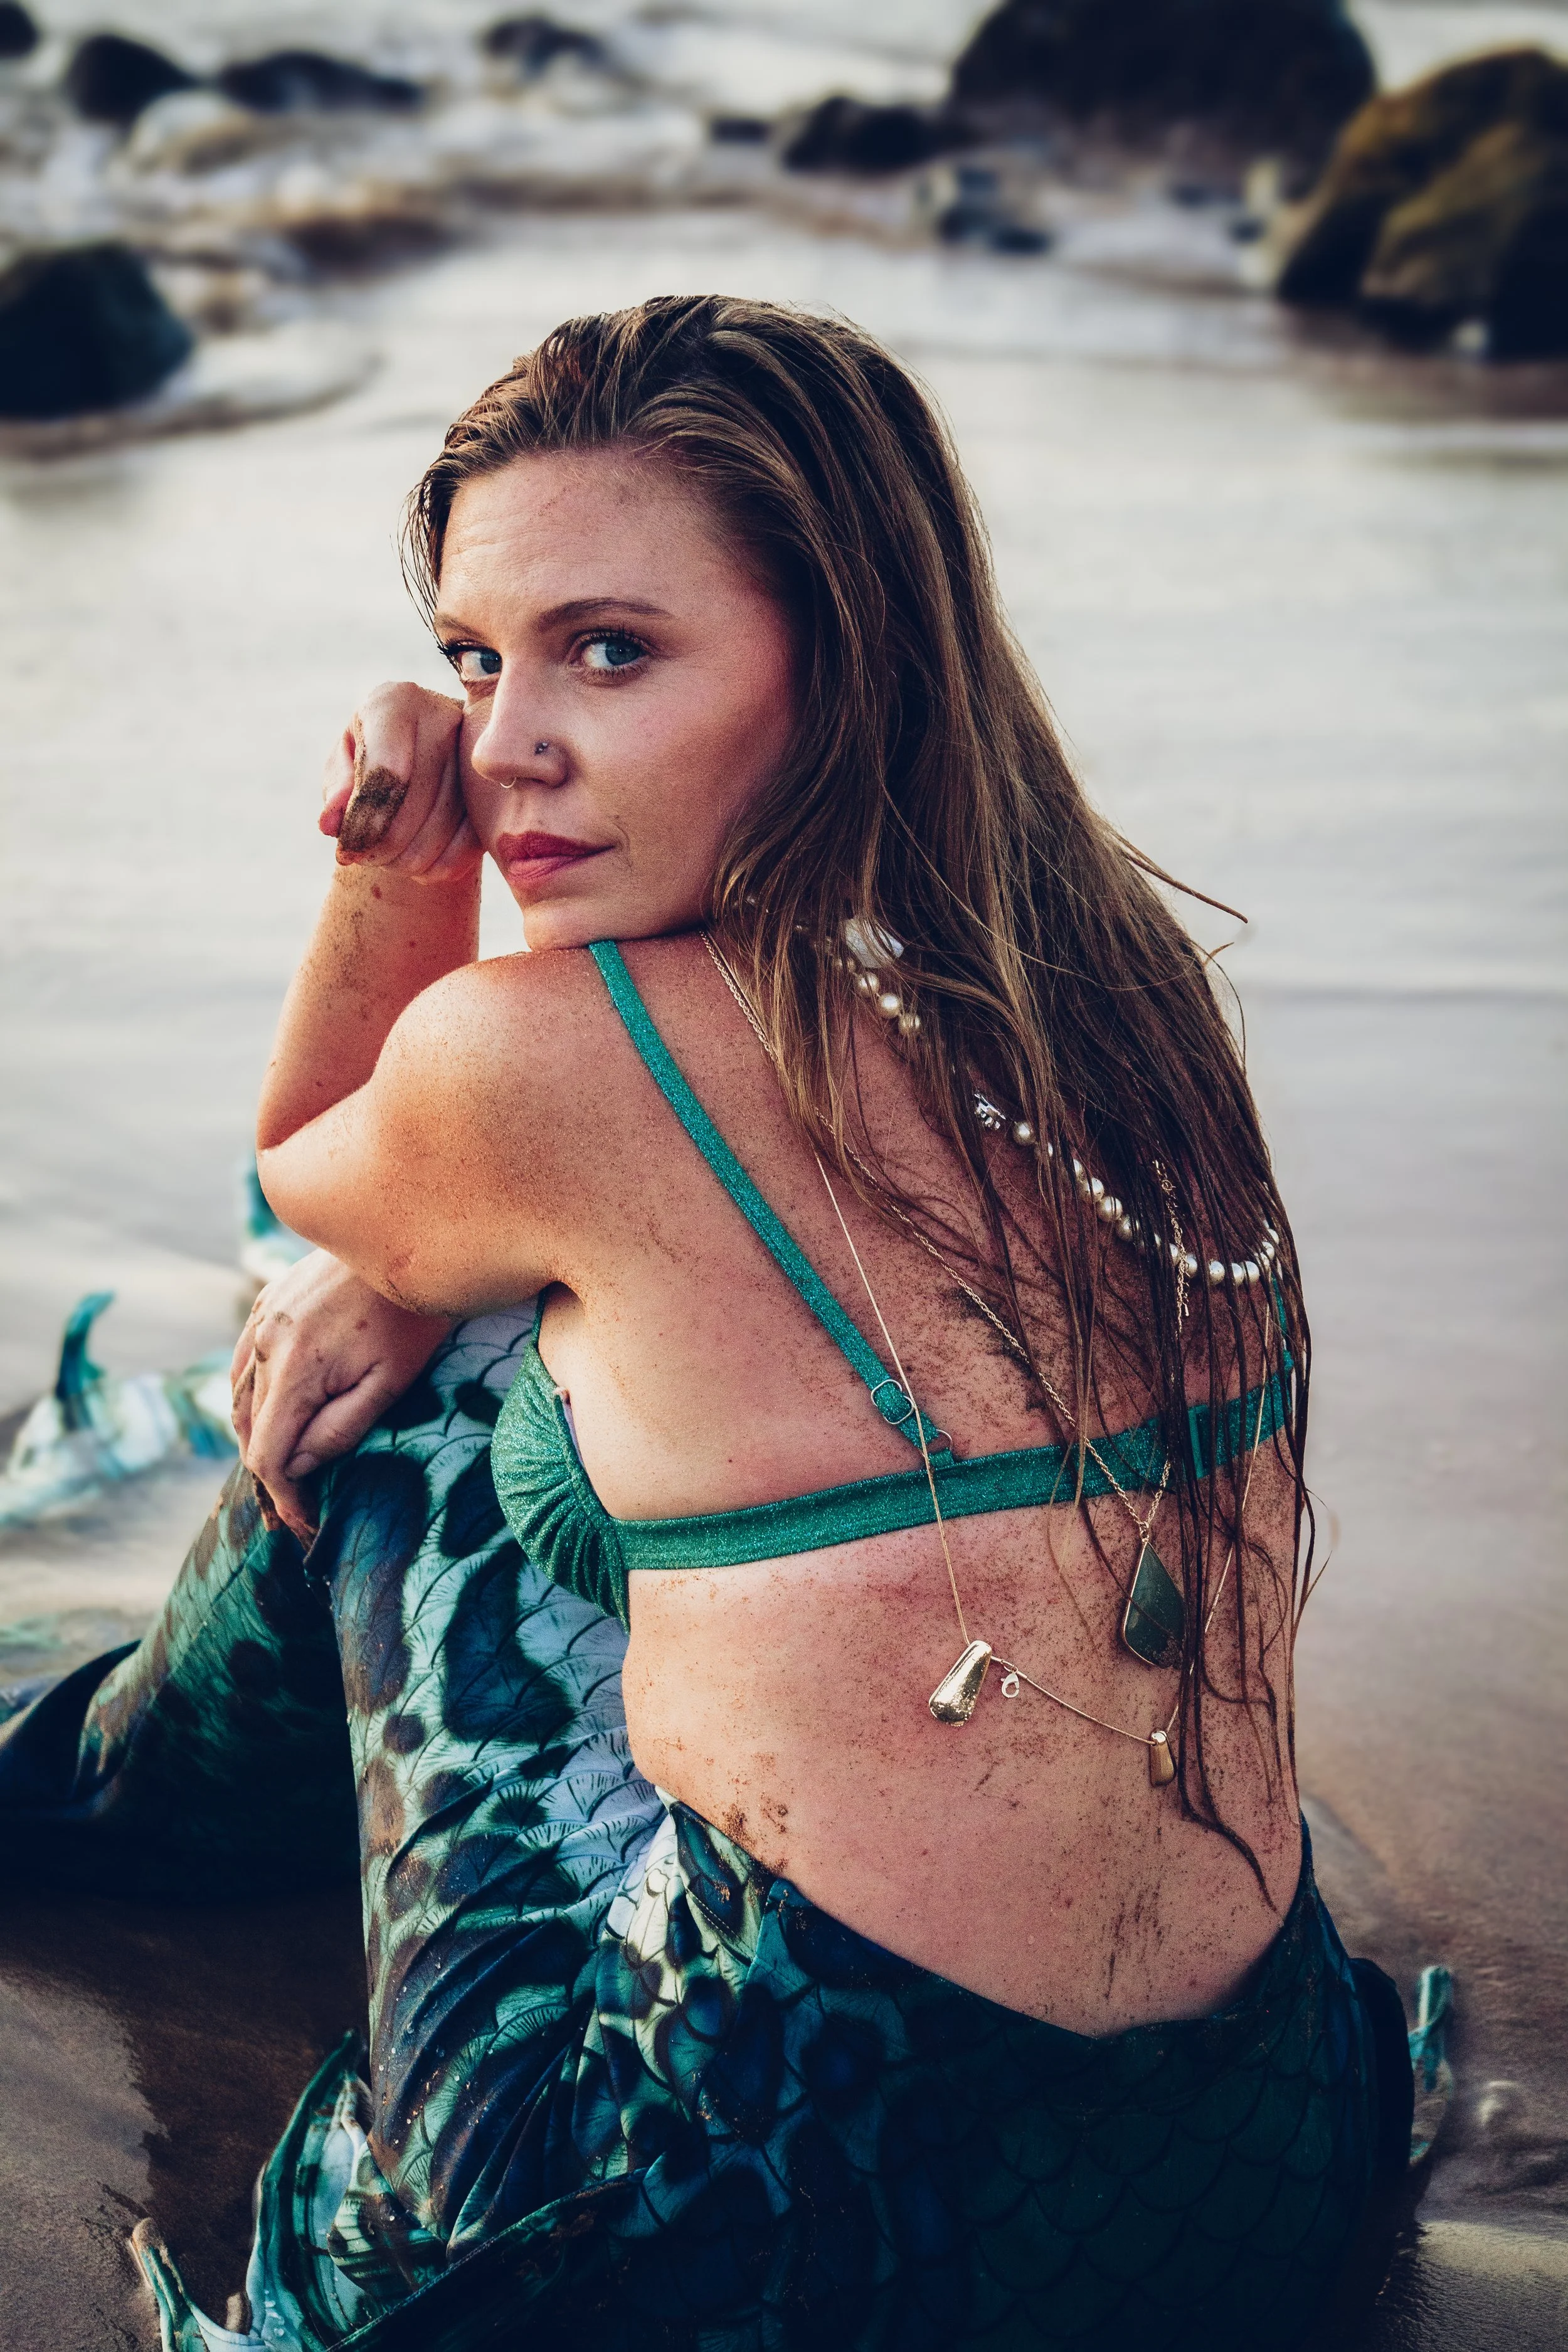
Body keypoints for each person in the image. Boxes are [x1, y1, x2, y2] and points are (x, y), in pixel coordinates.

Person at [0, 295, 1414, 2352]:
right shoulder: (1116, 997)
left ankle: (89, 1788)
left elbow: (312, 1156)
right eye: (475, 665)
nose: (510, 751)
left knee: (410, 1358)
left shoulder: (563, 1057)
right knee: (456, 1303)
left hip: (790, 2245)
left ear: (844, 658)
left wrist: (401, 839)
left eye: (613, 650)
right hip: (1238, 2167)